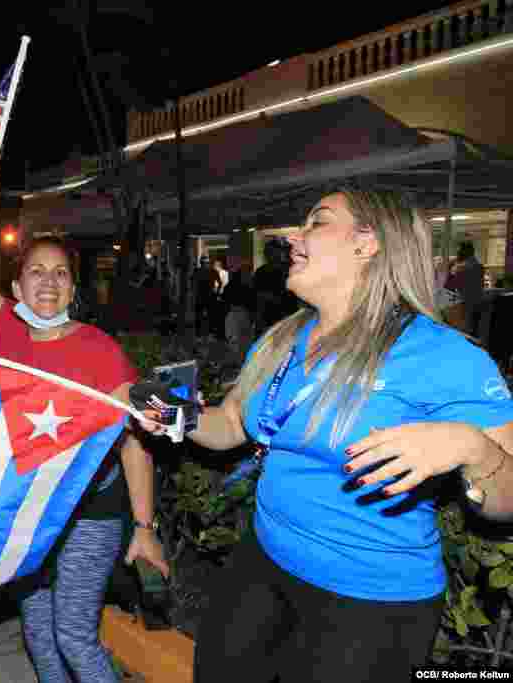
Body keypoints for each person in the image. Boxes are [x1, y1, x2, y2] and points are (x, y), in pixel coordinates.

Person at [136, 187, 513, 683]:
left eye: (317, 222)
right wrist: (167, 411)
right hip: (264, 559)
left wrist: (469, 445)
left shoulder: (444, 356)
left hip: (370, 601)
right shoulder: (282, 338)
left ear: (367, 243)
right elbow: (230, 425)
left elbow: (507, 498)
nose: (294, 237)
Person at [0, 178, 168, 683]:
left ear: (73, 290)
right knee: (36, 626)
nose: (48, 282)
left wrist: (143, 528)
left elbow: (134, 441)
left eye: (59, 274)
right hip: (28, 506)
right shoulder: (8, 329)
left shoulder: (99, 349)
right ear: (16, 287)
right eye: (36, 272)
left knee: (73, 633)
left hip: (90, 510)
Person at [251, 237, 298, 335]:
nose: (270, 255)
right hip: (270, 317)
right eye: (268, 252)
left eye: (273, 252)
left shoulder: (289, 269)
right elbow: (258, 297)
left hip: (288, 315)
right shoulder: (262, 271)